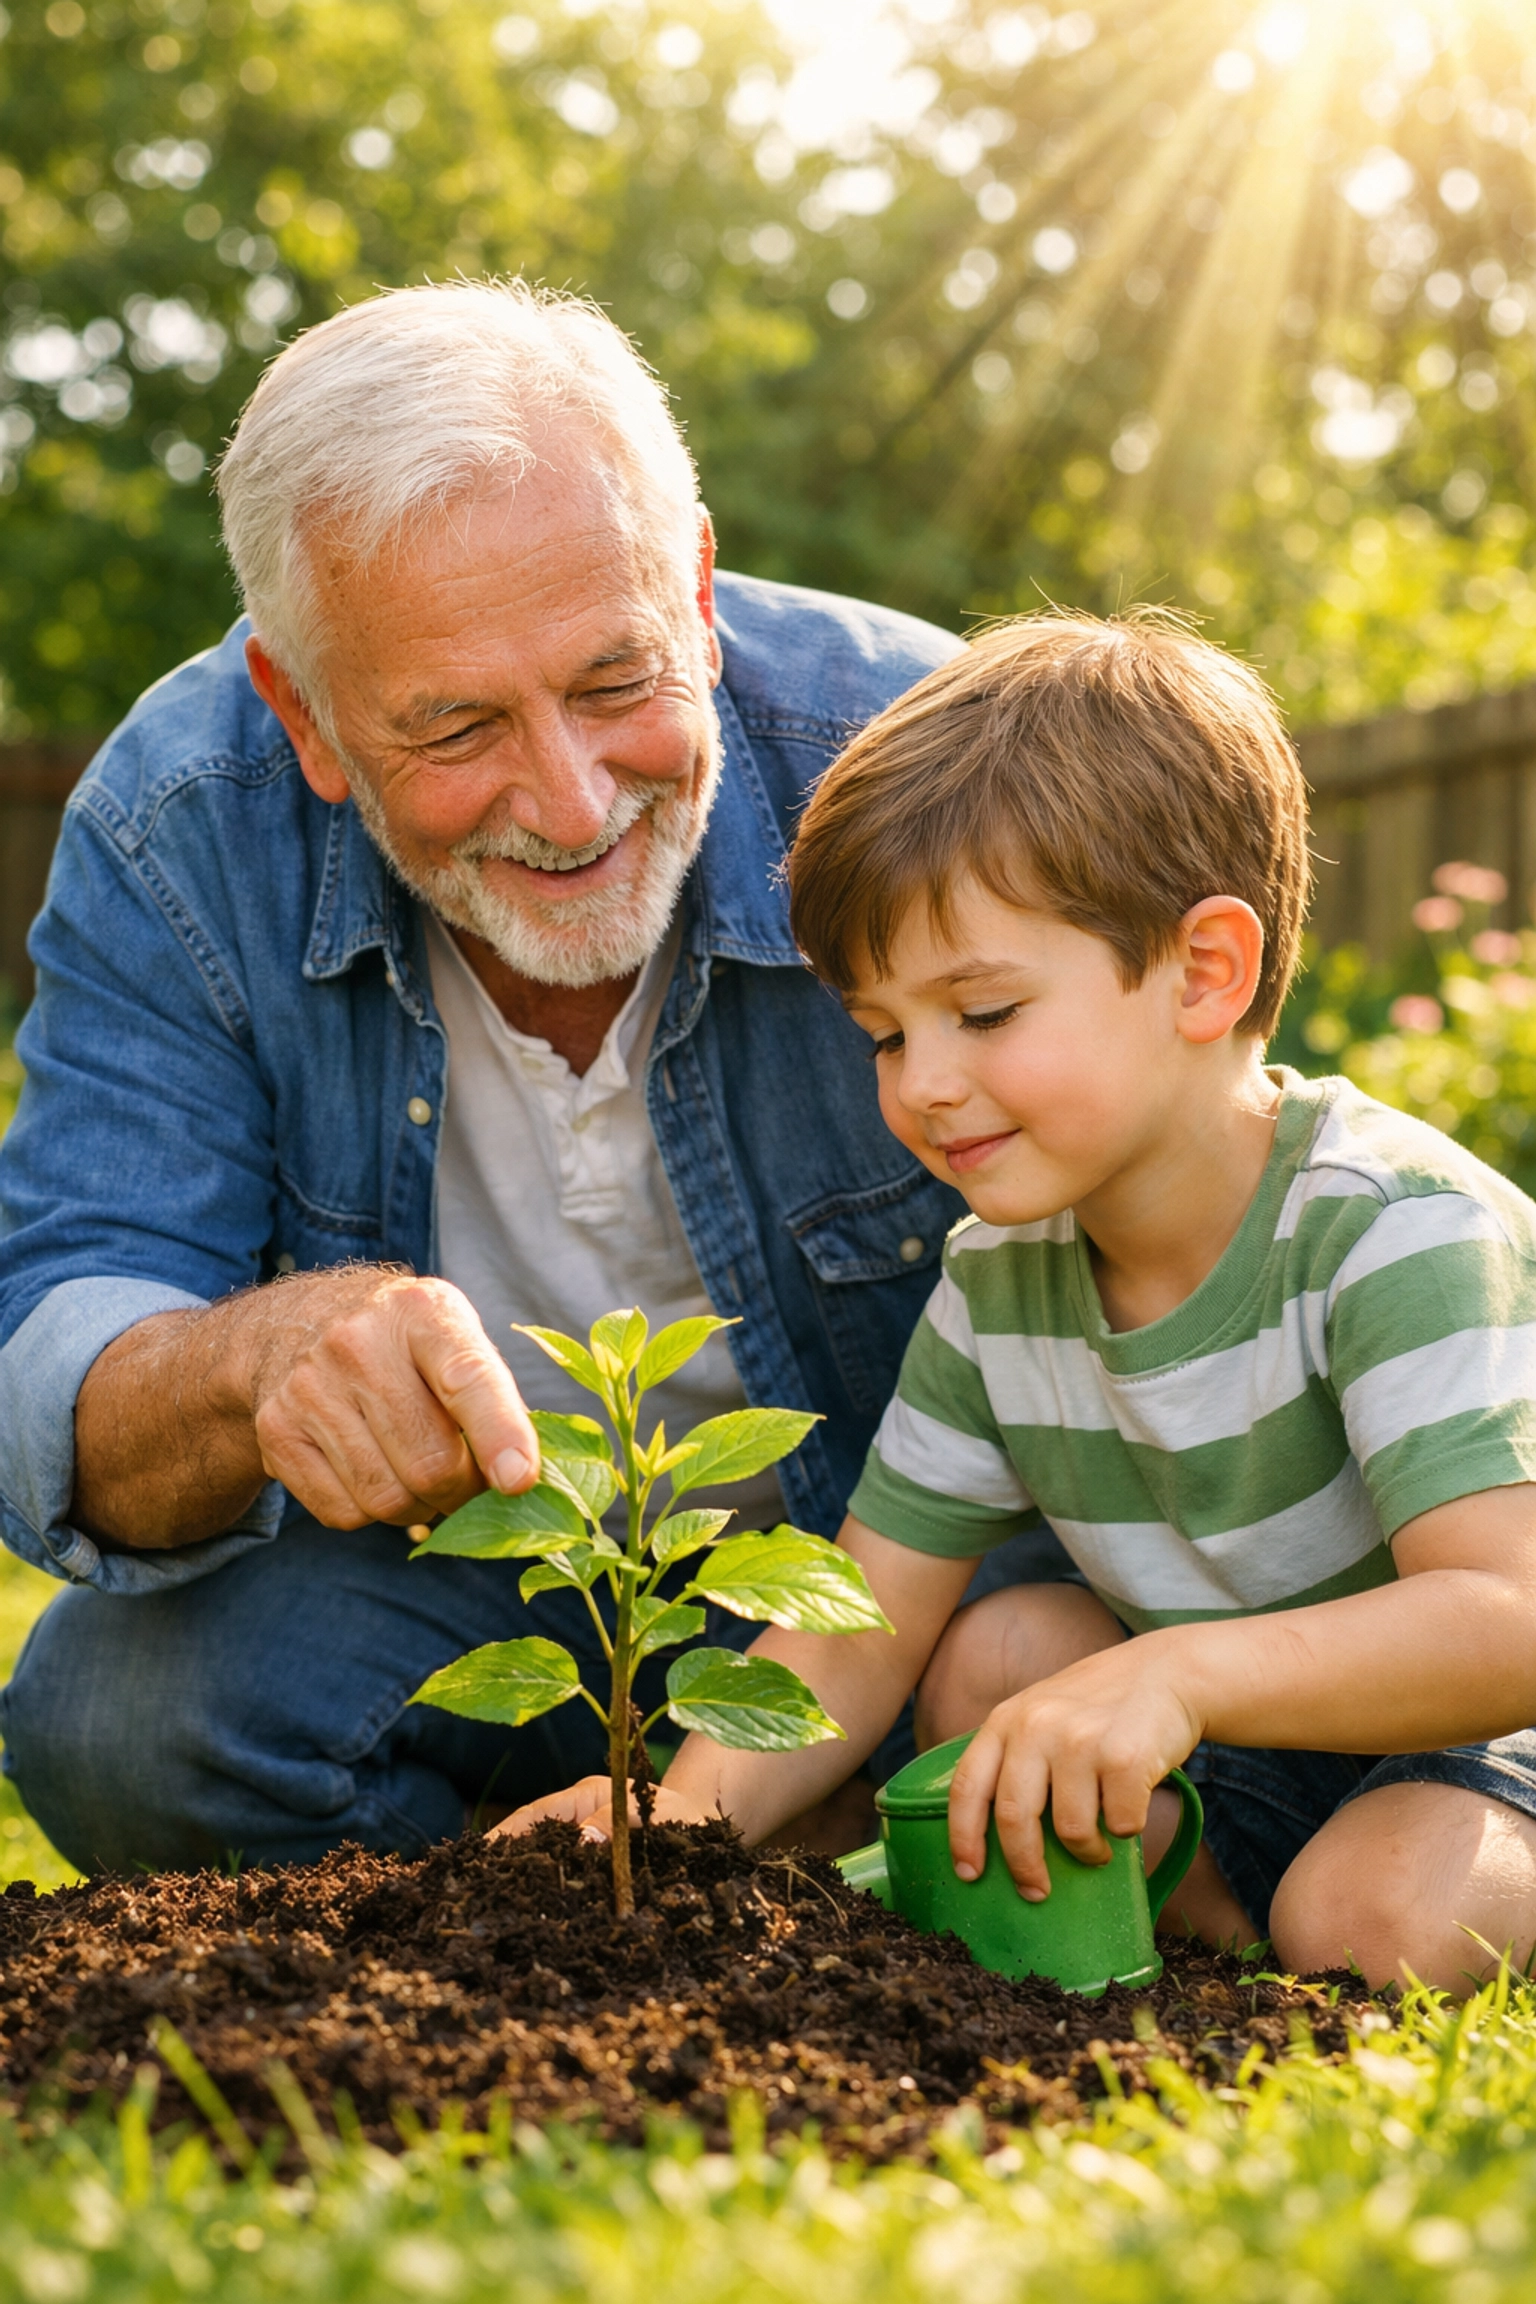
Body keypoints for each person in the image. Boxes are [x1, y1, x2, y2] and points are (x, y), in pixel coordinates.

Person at [0, 277, 1015, 1875]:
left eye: (618, 682)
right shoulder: (184, 826)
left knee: (1034, 1669)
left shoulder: (927, 758)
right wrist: (254, 1360)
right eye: (457, 726)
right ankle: (532, 1905)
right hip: (466, 1593)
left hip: (900, 1578)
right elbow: (67, 1326)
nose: (569, 797)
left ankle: (747, 1848)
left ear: (691, 583)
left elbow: (1198, 1231)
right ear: (310, 716)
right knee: (116, 1718)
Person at [510, 611, 1536, 1995]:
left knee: (1385, 1922)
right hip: (1247, 1751)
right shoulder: (1002, 1287)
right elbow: (863, 1613)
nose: (922, 1083)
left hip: (1480, 1734)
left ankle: (1314, 1905)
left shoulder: (1388, 1235)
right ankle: (1249, 1907)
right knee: (999, 1656)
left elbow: (1504, 1617)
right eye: (885, 1034)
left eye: (982, 1013)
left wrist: (1177, 1679)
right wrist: (682, 1819)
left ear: (1203, 972)